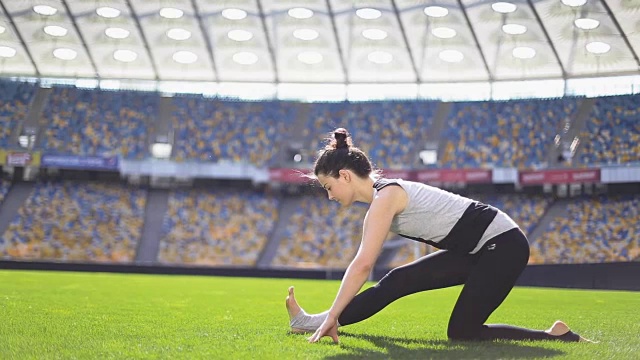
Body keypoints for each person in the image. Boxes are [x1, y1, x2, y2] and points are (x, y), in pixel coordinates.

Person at [286, 128, 593, 344]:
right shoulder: (384, 197)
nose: (330, 196)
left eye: (328, 187)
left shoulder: (385, 198)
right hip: (479, 248)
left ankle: (555, 335)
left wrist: (333, 315)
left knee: (463, 332)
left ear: (345, 176)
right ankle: (316, 321)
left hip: (502, 246)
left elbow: (363, 265)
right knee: (397, 281)